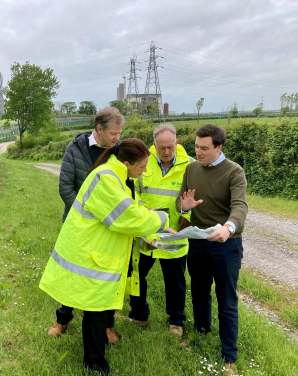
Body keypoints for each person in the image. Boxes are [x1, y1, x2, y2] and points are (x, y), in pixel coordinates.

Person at [39, 139, 172, 375]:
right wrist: (162, 219)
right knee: (96, 310)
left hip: (94, 253)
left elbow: (129, 210)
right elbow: (127, 218)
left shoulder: (114, 175)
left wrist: (149, 225)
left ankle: (94, 357)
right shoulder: (106, 178)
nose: (144, 171)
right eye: (141, 167)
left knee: (96, 310)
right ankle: (94, 363)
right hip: (90, 256)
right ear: (126, 163)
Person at [176, 124, 248, 375]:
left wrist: (228, 228)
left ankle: (229, 356)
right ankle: (202, 334)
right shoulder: (191, 168)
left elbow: (240, 207)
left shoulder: (234, 172)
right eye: (196, 146)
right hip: (198, 241)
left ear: (219, 147)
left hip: (226, 244)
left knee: (226, 300)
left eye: (204, 148)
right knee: (198, 292)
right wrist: (184, 207)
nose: (198, 152)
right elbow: (180, 202)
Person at [49, 107, 123, 342]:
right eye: (113, 133)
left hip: (108, 228)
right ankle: (63, 319)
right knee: (75, 273)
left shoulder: (117, 152)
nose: (117, 138)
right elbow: (65, 188)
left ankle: (107, 324)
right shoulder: (75, 149)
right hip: (78, 225)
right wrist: (86, 218)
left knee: (105, 276)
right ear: (99, 129)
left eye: (120, 133)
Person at [128, 123, 193, 340]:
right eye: (161, 148)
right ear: (154, 145)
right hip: (146, 232)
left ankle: (176, 321)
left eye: (170, 148)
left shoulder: (190, 166)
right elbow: (133, 195)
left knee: (175, 281)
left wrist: (187, 215)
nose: (166, 152)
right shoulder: (143, 163)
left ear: (177, 143)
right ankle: (138, 314)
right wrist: (142, 215)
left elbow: (195, 200)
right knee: (137, 274)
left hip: (174, 233)